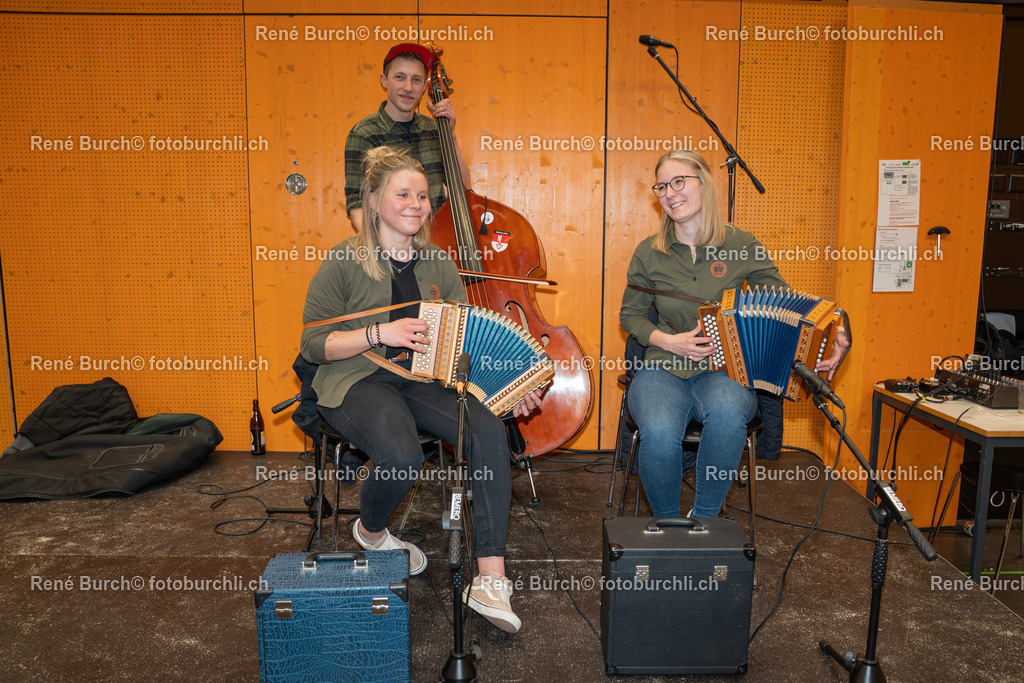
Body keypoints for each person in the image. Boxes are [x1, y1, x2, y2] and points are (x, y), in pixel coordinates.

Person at [302, 147, 539, 634]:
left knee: (487, 431)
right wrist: (378, 333)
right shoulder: (344, 260)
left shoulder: (438, 263)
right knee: (402, 456)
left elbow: (464, 341)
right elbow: (312, 343)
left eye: (423, 196)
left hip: (419, 379)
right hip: (355, 379)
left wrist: (509, 388)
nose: (416, 204)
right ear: (373, 200)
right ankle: (371, 532)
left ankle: (490, 579)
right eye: (403, 194)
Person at [619, 149, 848, 519]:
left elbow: (788, 300)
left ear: (704, 184)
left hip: (726, 369)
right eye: (662, 186)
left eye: (679, 181)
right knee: (658, 430)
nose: (670, 193)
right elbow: (630, 315)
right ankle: (668, 526)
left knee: (727, 416)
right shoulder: (648, 252)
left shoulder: (742, 244)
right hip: (663, 366)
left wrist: (836, 323)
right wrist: (668, 341)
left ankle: (705, 522)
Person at [344, 43, 472, 232]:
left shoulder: (435, 130)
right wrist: (385, 247)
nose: (408, 87)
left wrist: (451, 135)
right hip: (391, 244)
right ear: (384, 80)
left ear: (424, 86)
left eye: (416, 80)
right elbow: (357, 207)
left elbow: (464, 189)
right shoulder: (363, 134)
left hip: (441, 242)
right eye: (400, 77)